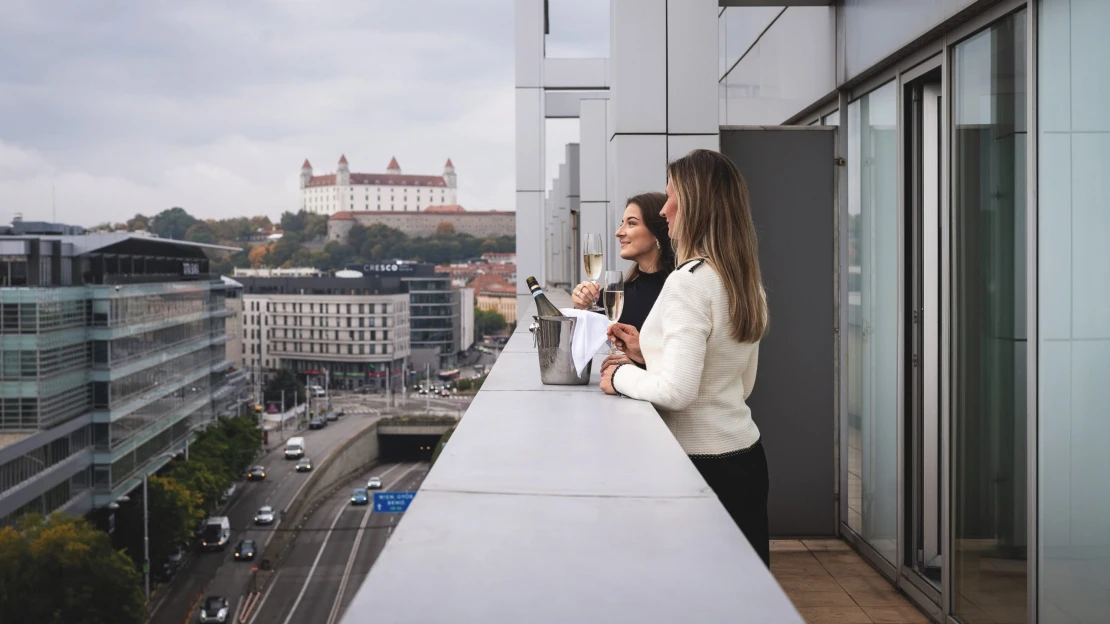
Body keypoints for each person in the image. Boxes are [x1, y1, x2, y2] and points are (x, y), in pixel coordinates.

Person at [599, 149, 771, 567]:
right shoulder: (741, 279)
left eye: (672, 195)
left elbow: (677, 392)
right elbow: (740, 381)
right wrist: (650, 353)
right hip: (745, 458)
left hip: (699, 468)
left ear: (696, 205)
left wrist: (620, 375)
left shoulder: (688, 282)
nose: (666, 208)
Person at [569, 192, 674, 331]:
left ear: (656, 232)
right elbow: (581, 343)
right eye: (622, 223)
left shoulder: (677, 290)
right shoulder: (613, 295)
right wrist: (581, 307)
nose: (618, 232)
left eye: (631, 223)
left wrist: (636, 353)